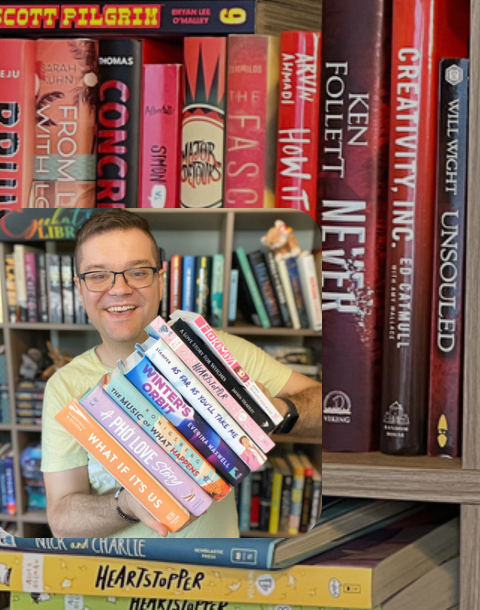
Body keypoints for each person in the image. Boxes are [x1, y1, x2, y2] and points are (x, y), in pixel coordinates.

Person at [41, 210, 321, 538]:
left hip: (213, 566)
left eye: (138, 272)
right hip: (115, 569)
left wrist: (275, 410)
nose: (119, 289)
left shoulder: (215, 349)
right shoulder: (63, 386)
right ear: (79, 288)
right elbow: (61, 520)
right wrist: (128, 504)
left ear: (160, 281)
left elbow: (325, 406)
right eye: (98, 275)